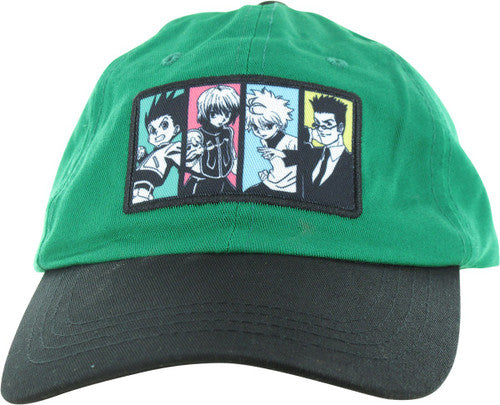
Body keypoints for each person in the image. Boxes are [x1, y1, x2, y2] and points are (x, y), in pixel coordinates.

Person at [183, 85, 240, 195]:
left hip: (222, 181)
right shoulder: (198, 135)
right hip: (201, 182)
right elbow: (188, 161)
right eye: (215, 114)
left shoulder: (228, 132)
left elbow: (232, 153)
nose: (222, 118)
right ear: (206, 112)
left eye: (227, 114)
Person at [300, 95, 355, 209]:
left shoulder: (351, 163)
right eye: (317, 124)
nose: (321, 129)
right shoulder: (312, 153)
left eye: (328, 124)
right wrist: (309, 134)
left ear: (340, 128)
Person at [132, 91, 186, 204]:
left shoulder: (169, 149)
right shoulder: (156, 152)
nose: (157, 132)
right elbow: (152, 163)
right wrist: (142, 156)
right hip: (137, 192)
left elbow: (183, 159)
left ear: (176, 129)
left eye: (164, 125)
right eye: (152, 130)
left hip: (143, 192)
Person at [244, 87, 297, 197]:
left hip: (290, 188)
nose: (261, 131)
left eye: (268, 126)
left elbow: (305, 158)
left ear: (278, 124)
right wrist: (267, 177)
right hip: (271, 183)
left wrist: (281, 153)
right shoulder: (264, 141)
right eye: (255, 127)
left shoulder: (291, 141)